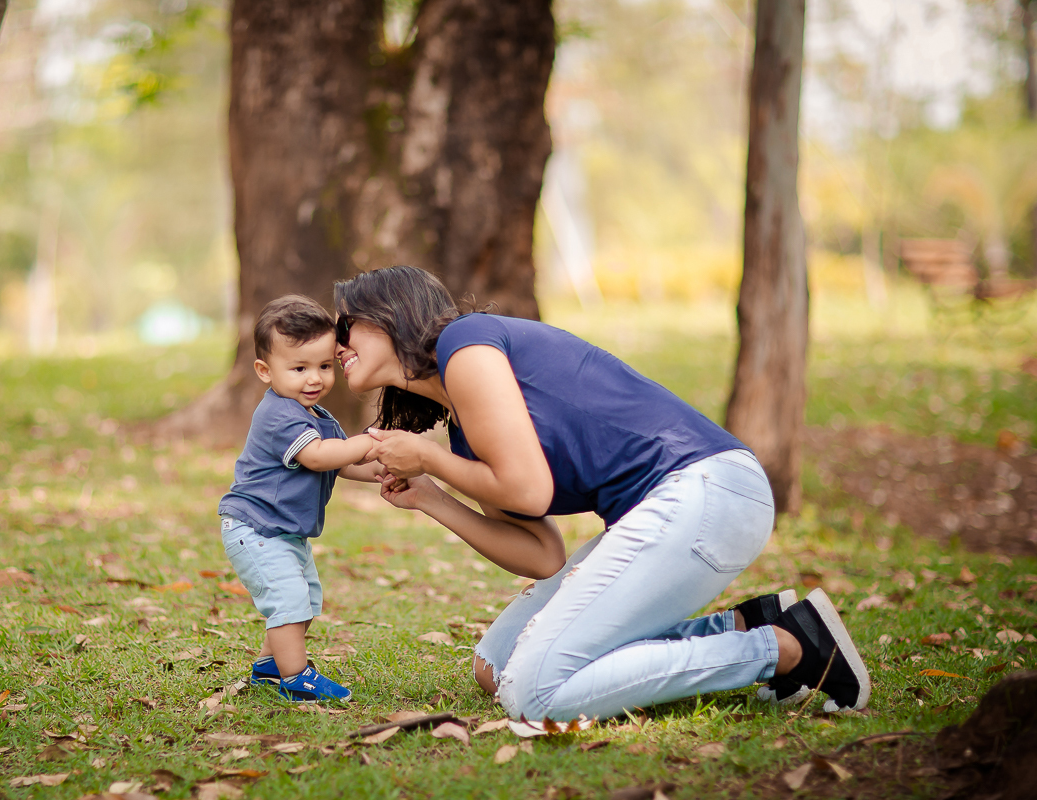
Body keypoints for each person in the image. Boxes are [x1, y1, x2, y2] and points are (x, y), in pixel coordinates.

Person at [334, 265, 870, 721]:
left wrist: (428, 457)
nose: (336, 346)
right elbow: (540, 554)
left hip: (708, 492)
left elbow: (527, 485)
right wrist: (431, 494)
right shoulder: (463, 432)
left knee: (534, 695)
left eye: (345, 325)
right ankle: (745, 623)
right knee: (495, 667)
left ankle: (783, 650)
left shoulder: (465, 343)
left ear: (389, 315)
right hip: (677, 509)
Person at [218, 295, 381, 703]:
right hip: (256, 528)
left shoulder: (317, 416)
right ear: (264, 370)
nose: (315, 379)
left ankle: (270, 667)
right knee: (288, 601)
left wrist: (380, 472)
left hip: (284, 531)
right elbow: (318, 456)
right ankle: (296, 677)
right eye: (299, 368)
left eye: (325, 366)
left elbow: (338, 464)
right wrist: (369, 441)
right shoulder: (280, 414)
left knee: (305, 599)